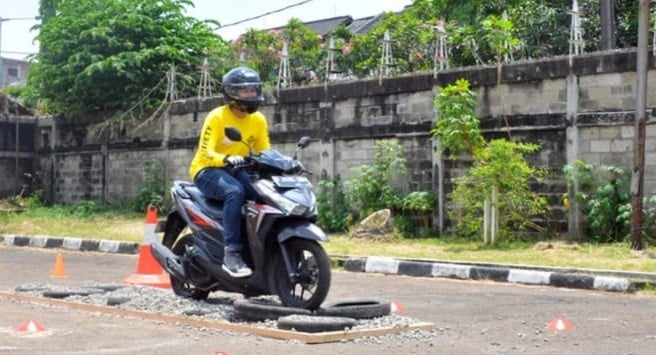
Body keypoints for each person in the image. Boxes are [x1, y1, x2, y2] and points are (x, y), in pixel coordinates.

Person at [188, 66, 271, 278]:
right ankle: (231, 252)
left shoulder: (258, 119)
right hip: (207, 169)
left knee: (263, 193)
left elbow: (264, 151)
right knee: (234, 192)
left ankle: (260, 247)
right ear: (231, 93)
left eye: (253, 90)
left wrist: (281, 164)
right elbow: (206, 151)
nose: (251, 95)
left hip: (236, 169)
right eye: (245, 91)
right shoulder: (217, 117)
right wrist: (224, 158)